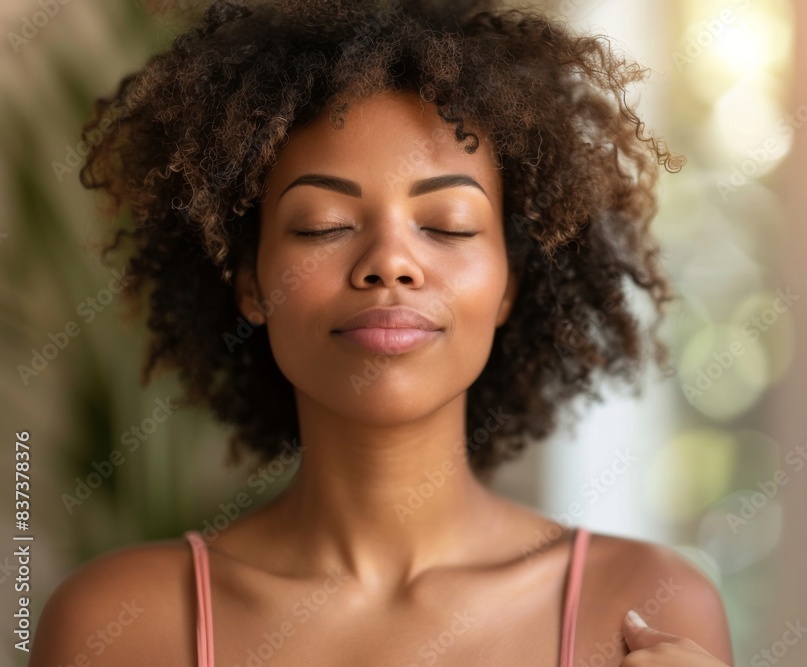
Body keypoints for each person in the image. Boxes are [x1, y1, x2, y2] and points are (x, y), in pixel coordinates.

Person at [30, 1, 732, 665]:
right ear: (250, 282)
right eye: (323, 226)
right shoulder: (118, 623)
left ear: (511, 283)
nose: (390, 263)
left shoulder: (647, 606)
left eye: (448, 225)